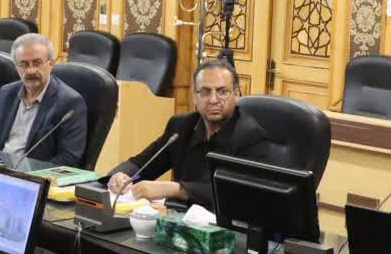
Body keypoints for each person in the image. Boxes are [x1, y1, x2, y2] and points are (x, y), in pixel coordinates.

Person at [107, 58, 270, 207]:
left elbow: (237, 193)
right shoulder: (181, 126)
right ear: (194, 97)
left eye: (222, 91)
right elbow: (143, 165)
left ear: (236, 94)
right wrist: (123, 176)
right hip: (178, 217)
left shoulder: (250, 135)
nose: (213, 100)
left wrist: (177, 189)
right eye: (205, 92)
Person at [0, 33, 86, 167]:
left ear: (51, 64)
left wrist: (29, 174)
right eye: (23, 64)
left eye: (37, 63)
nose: (31, 71)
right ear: (16, 67)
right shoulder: (6, 93)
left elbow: (69, 158)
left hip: (34, 174)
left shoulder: (70, 102)